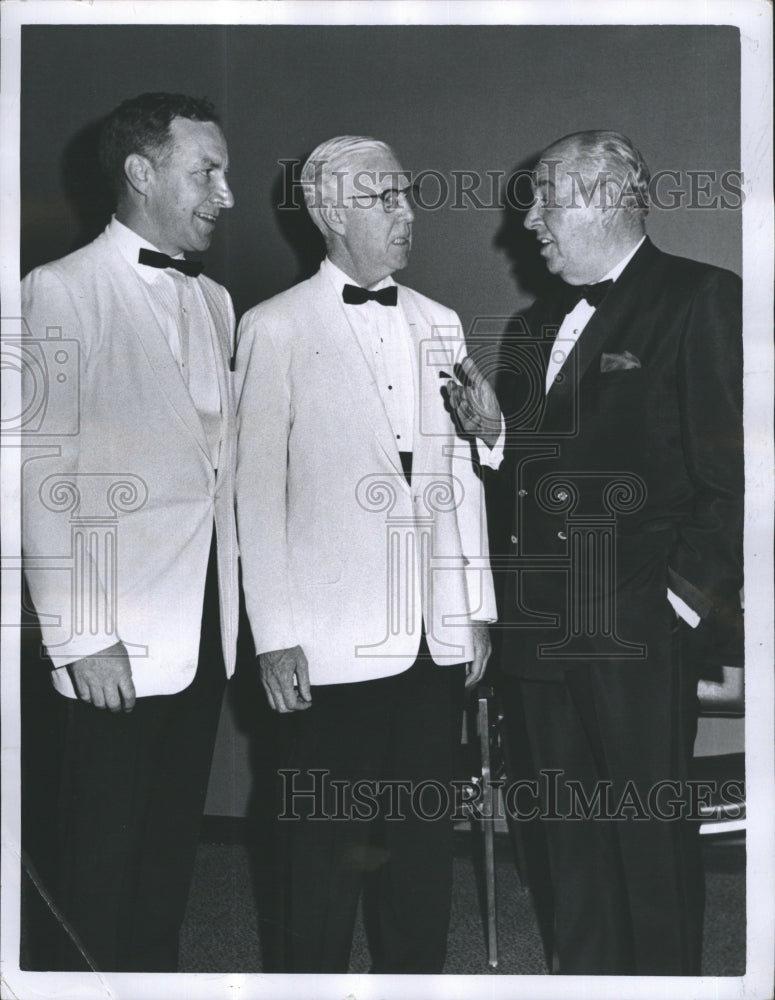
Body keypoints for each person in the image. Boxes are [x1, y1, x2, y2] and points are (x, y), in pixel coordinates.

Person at [447, 130, 743, 975]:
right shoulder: (533, 325)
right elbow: (541, 471)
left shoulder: (699, 297)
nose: (528, 221)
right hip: (543, 625)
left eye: (542, 198)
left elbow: (734, 476)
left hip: (637, 623)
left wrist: (683, 602)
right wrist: (497, 437)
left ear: (602, 197)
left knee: (646, 835)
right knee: (563, 835)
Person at [235, 135, 496, 974]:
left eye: (407, 194)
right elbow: (252, 494)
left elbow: (458, 473)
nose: (407, 212)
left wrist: (474, 609)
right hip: (324, 646)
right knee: (317, 855)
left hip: (426, 639)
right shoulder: (271, 327)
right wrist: (271, 632)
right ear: (329, 213)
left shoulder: (440, 321)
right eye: (385, 197)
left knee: (418, 857)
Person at [21, 92, 237, 971]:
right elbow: (36, 476)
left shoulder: (217, 300)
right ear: (141, 174)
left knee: (164, 865)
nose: (225, 194)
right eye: (206, 172)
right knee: (92, 873)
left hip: (199, 634)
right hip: (108, 640)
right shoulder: (58, 290)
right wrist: (80, 635)